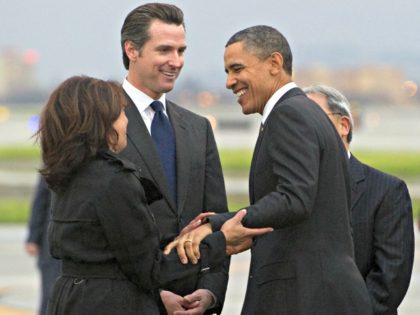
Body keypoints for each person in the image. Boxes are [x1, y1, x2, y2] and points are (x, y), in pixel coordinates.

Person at [165, 25, 373, 315]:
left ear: (274, 64)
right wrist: (216, 221)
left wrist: (224, 227)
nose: (229, 82)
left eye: (237, 69)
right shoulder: (302, 112)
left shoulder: (288, 114)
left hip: (306, 296)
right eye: (227, 71)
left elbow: (294, 198)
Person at [36, 75, 234, 315]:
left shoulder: (70, 173)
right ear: (102, 122)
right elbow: (151, 269)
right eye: (121, 113)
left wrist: (177, 240)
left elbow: (109, 247)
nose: (126, 122)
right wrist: (222, 243)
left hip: (71, 299)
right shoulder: (113, 179)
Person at [119, 3, 230, 314]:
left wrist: (211, 293)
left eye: (181, 51)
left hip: (193, 304)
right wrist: (154, 296)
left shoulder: (198, 128)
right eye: (165, 50)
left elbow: (215, 219)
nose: (176, 61)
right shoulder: (104, 123)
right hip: (129, 303)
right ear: (132, 50)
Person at [304, 84, 415, 315]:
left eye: (310, 118)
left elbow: (390, 278)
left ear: (343, 125)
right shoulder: (287, 191)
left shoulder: (387, 191)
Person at [25, 176, 61, 315]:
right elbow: (40, 201)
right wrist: (33, 238)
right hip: (50, 244)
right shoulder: (53, 166)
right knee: (49, 293)